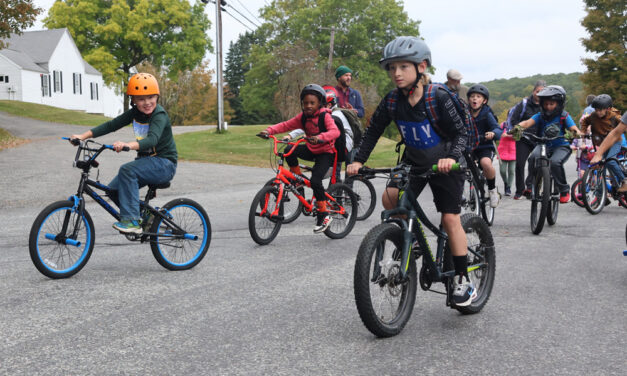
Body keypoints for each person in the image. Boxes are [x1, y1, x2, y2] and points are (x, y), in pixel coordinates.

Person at [346, 36, 476, 307]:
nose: (396, 73)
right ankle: (413, 239)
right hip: (415, 163)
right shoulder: (393, 101)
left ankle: (464, 280)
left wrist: (451, 158)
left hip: (448, 165)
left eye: (403, 67)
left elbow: (461, 133)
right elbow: (373, 131)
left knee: (451, 219)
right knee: (390, 198)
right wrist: (358, 160)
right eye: (392, 67)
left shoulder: (438, 96)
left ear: (422, 67)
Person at [69, 73, 177, 234]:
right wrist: (82, 136)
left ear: (157, 96)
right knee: (113, 189)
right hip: (147, 163)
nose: (147, 102)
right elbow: (111, 125)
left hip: (164, 164)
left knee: (127, 170)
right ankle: (145, 216)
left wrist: (128, 145)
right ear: (133, 100)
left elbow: (152, 140)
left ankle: (133, 221)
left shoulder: (159, 115)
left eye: (151, 97)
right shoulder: (135, 113)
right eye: (141, 99)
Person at [259, 84, 340, 233]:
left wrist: (320, 137)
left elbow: (335, 132)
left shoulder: (325, 116)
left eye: (312, 103)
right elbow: (285, 125)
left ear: (320, 103)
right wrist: (268, 131)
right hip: (311, 149)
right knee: (289, 149)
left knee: (316, 181)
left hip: (325, 152)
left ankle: (324, 214)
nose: (308, 106)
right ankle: (298, 180)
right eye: (305, 103)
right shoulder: (303, 117)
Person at [509, 85, 583, 203]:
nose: (548, 107)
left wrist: (574, 134)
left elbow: (575, 129)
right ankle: (533, 185)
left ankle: (564, 190)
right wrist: (517, 128)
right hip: (543, 145)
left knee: (555, 162)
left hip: (561, 146)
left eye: (552, 104)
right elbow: (527, 123)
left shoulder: (564, 116)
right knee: (532, 158)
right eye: (546, 104)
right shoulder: (540, 115)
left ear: (559, 104)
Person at [286, 86, 353, 181]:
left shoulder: (334, 115)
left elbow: (324, 127)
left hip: (342, 145)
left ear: (328, 105)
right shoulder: (323, 113)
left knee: (334, 169)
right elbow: (309, 123)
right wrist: (291, 135)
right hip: (329, 143)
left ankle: (336, 191)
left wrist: (318, 136)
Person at [509, 80, 547, 199]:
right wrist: (517, 130)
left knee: (536, 162)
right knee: (520, 164)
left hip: (539, 139)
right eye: (537, 91)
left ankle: (530, 187)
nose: (539, 94)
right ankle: (519, 190)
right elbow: (513, 119)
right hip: (523, 138)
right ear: (533, 92)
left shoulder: (547, 105)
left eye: (542, 92)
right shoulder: (524, 103)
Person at [467, 84, 502, 206]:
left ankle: (492, 191)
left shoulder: (487, 114)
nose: (474, 99)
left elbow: (497, 129)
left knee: (486, 163)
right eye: (472, 96)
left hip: (484, 147)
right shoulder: (465, 113)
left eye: (478, 96)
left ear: (484, 100)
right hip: (469, 147)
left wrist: (493, 133)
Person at [581, 95, 626, 192]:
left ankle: (624, 180)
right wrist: (584, 131)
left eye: (600, 110)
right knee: (600, 164)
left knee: (610, 160)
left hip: (615, 141)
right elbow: (585, 121)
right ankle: (602, 195)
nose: (598, 112)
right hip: (602, 143)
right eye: (596, 110)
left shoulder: (614, 116)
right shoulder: (593, 116)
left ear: (608, 109)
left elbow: (623, 125)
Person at [497, 121, 516, 196]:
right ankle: (506, 182)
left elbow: (518, 137)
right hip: (502, 151)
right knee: (502, 171)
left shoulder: (517, 126)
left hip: (513, 151)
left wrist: (508, 135)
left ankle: (508, 188)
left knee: (511, 171)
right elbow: (498, 134)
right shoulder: (503, 125)